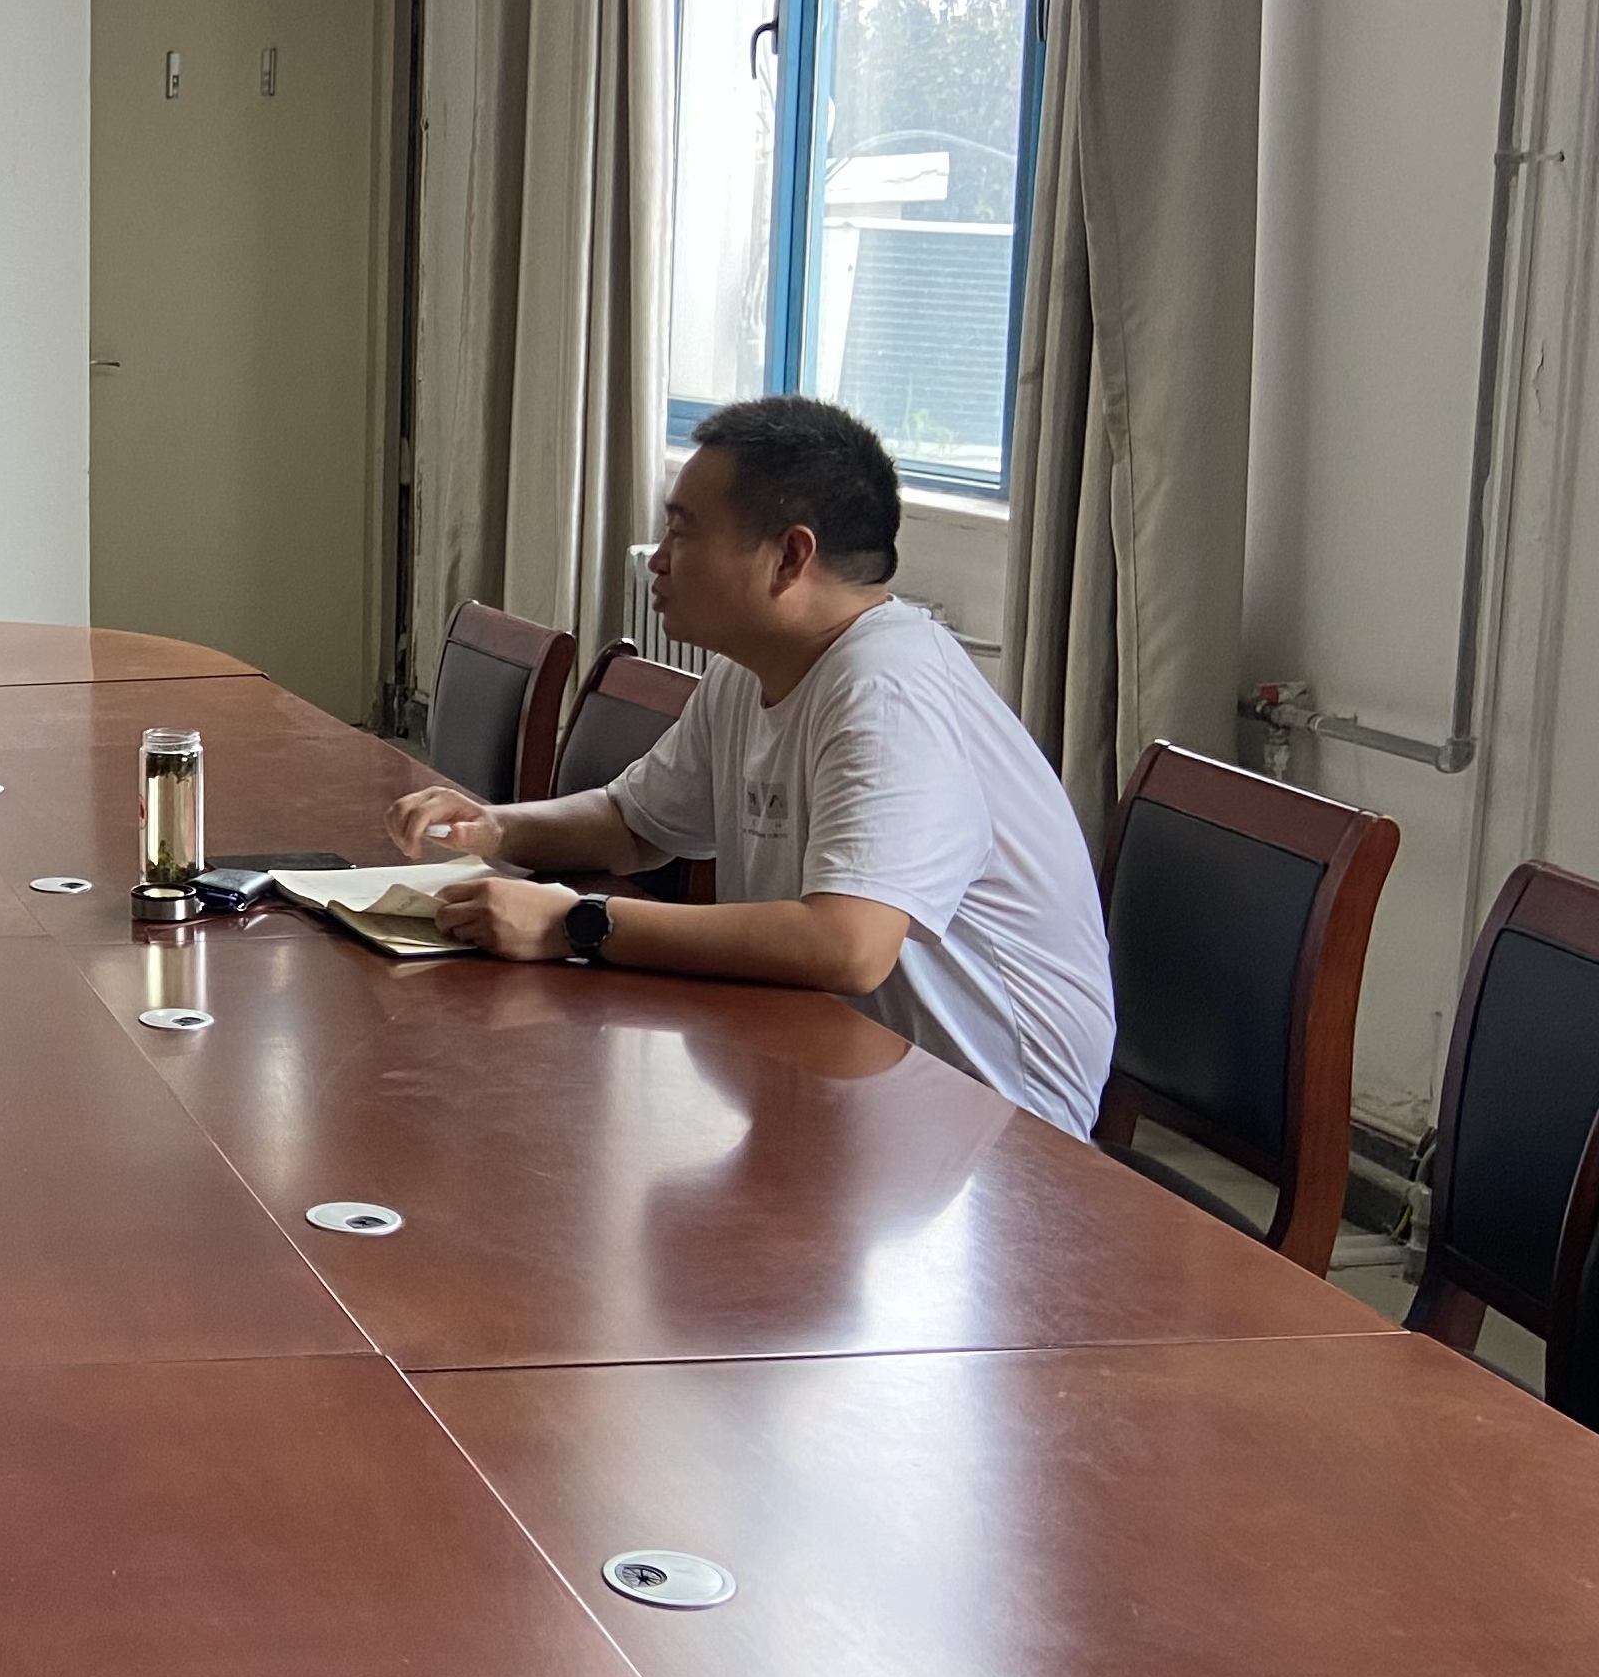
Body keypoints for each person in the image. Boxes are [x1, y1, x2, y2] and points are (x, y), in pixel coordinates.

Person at [387, 395, 1114, 1135]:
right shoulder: (751, 669)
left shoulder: (887, 691)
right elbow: (634, 825)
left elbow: (849, 946)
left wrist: (578, 923)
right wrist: (495, 827)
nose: (658, 561)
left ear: (790, 557)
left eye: (682, 531)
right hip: (838, 1074)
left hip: (996, 1125)